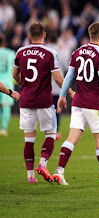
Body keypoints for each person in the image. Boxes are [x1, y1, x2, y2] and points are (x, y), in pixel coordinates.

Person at [53, 22, 99, 186]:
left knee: (72, 137)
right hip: (95, 103)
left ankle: (59, 171)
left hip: (78, 101)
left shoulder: (77, 52)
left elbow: (68, 77)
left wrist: (62, 96)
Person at [13, 22, 74, 183]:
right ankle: (42, 163)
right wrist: (70, 92)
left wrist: (24, 85)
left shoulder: (20, 52)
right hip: (44, 100)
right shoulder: (49, 53)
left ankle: (30, 176)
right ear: (44, 35)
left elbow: (15, 75)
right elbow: (58, 78)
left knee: (29, 139)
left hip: (26, 99)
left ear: (29, 36)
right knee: (51, 133)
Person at [0, 35, 16, 136]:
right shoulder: (11, 53)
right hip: (7, 81)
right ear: (5, 43)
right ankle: (3, 128)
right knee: (6, 106)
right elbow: (15, 68)